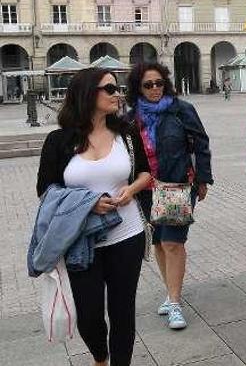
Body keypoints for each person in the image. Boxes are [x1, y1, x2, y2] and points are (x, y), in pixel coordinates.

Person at [36, 68, 152, 366]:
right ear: (89, 93)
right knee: (88, 314)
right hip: (80, 241)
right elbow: (46, 191)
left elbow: (146, 173)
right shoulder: (58, 141)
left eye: (118, 88)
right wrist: (88, 203)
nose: (118, 94)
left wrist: (133, 188)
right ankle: (100, 357)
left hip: (127, 234)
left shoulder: (126, 133)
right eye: (110, 89)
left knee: (122, 310)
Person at [125, 62, 213, 330]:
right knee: (159, 243)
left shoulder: (181, 110)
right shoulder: (131, 118)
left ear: (166, 83)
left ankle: (174, 302)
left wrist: (202, 178)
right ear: (138, 88)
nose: (155, 89)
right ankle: (170, 291)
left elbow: (201, 143)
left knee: (173, 243)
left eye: (159, 83)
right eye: (148, 85)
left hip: (177, 186)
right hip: (145, 190)